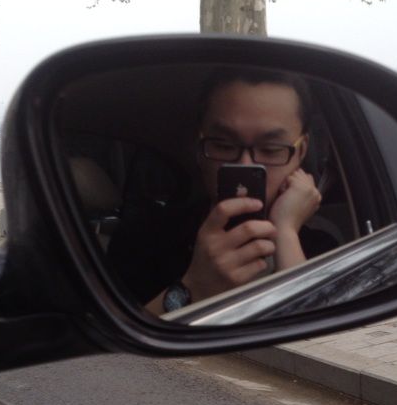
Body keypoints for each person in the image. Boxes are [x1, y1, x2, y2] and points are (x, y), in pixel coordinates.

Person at [108, 68, 337, 316]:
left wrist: (285, 233)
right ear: (200, 149)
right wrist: (195, 287)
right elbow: (114, 338)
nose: (245, 165)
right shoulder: (142, 240)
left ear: (300, 152)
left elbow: (315, 335)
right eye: (224, 146)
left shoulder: (323, 250)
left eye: (271, 149)